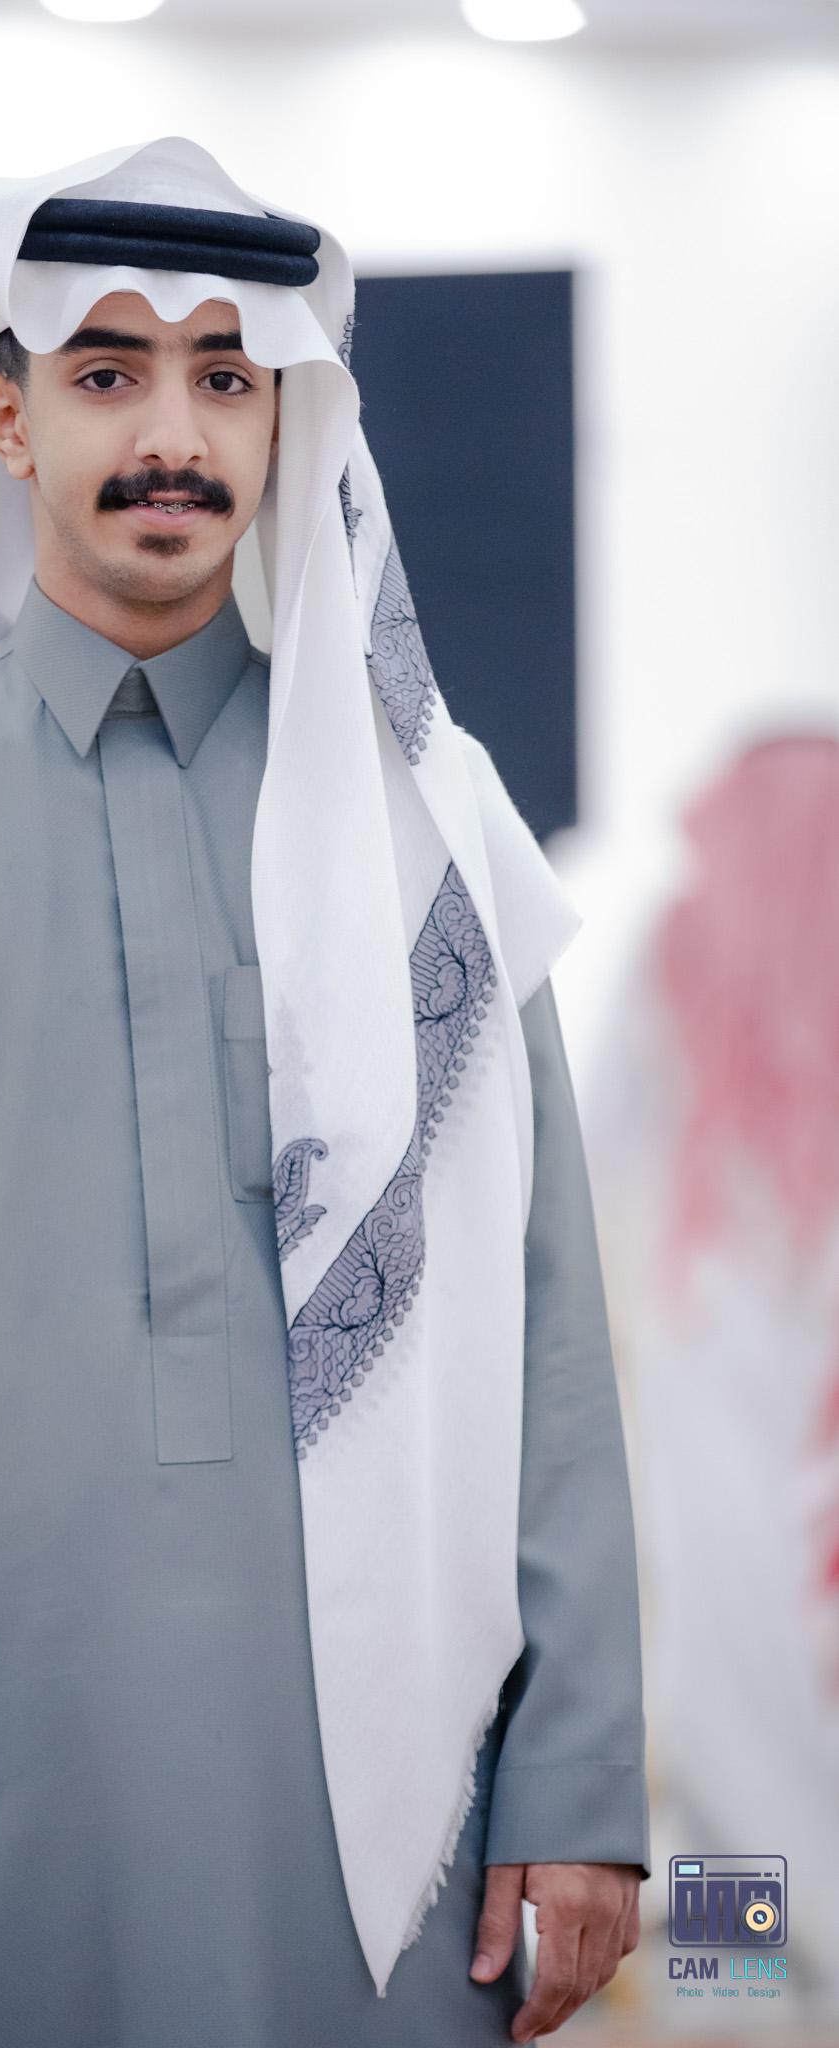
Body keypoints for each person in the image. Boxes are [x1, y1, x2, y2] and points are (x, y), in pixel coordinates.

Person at [0, 139, 647, 2048]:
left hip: (402, 1771)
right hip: (2, 1752)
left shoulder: (428, 827)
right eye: (109, 370)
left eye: (227, 375)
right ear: (5, 414)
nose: (173, 434)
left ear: (289, 418)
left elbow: (544, 1323)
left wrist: (579, 1775)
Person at [582, 735, 839, 2016]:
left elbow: (589, 1179)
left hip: (701, 1408)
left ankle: (739, 1994)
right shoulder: (684, 953)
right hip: (775, 1422)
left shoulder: (672, 955)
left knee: (715, 1721)